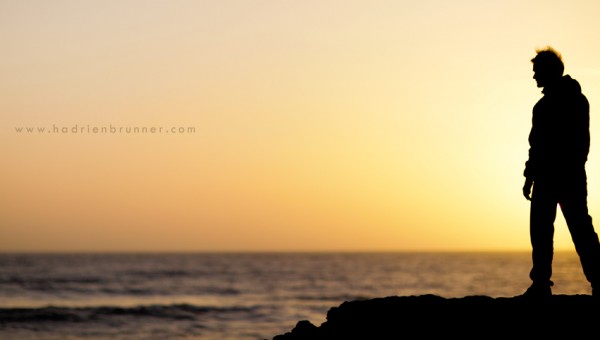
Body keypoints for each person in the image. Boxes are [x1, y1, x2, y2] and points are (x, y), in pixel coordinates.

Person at [522, 46, 600, 298]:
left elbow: (581, 142)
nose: (534, 77)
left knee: (580, 229)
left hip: (568, 177)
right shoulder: (542, 106)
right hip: (547, 178)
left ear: (549, 71)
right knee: (542, 231)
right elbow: (536, 145)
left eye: (536, 72)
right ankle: (541, 284)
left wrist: (569, 169)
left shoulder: (575, 100)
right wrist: (529, 176)